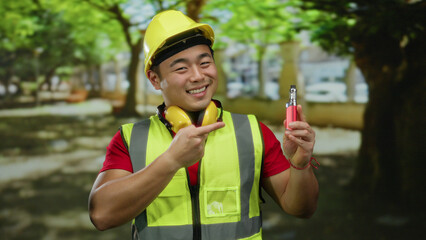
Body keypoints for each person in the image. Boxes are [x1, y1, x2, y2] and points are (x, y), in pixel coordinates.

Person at [89, 10, 319, 240]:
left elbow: (301, 208)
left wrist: (300, 164)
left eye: (205, 62)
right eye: (181, 68)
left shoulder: (253, 131)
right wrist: (171, 160)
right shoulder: (131, 139)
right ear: (155, 79)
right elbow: (102, 215)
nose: (198, 76)